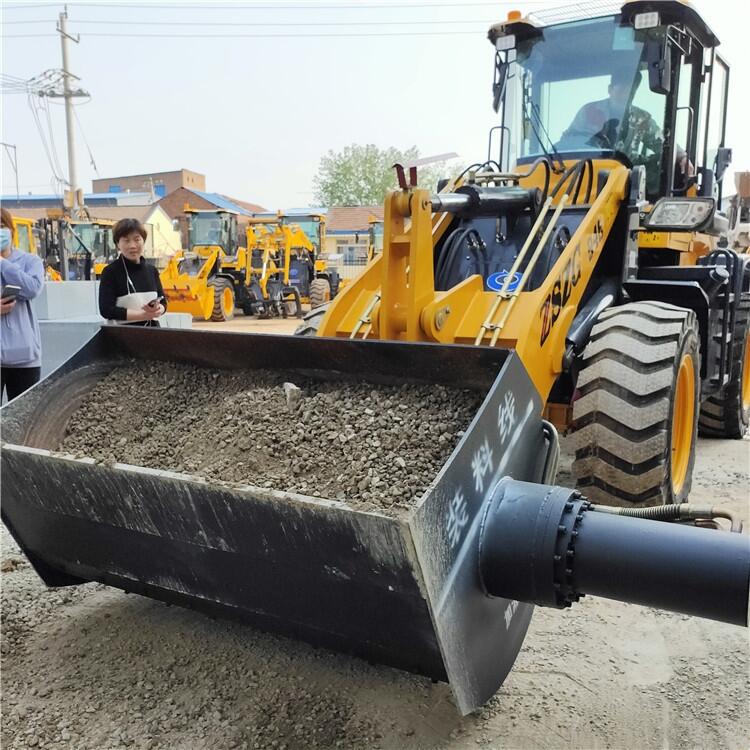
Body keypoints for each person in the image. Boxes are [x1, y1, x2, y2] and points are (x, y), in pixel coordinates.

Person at [0, 207, 45, 401]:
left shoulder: (30, 261)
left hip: (25, 357)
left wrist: (2, 263)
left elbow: (32, 288)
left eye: (1, 226)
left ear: (11, 229)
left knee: (23, 421)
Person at [98, 218, 167, 326]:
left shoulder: (152, 271)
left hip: (153, 334)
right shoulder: (110, 272)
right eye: (126, 240)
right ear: (117, 244)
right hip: (122, 335)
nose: (132, 246)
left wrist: (159, 309)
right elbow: (106, 310)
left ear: (143, 241)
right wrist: (142, 315)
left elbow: (163, 302)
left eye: (137, 239)